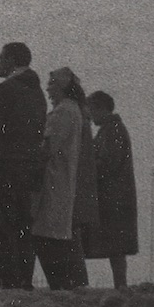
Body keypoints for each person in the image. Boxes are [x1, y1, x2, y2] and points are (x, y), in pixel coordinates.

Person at [0, 41, 46, 288]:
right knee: (23, 226)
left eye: (1, 58)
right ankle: (24, 280)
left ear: (10, 60)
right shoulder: (37, 92)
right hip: (29, 168)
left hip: (5, 167)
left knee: (1, 225)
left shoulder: (6, 90)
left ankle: (7, 279)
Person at [32, 66, 96, 289]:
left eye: (51, 85)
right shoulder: (74, 111)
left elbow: (48, 147)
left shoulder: (63, 112)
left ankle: (61, 284)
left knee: (48, 237)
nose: (48, 90)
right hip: (62, 182)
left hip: (54, 182)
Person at [83, 90, 140, 288]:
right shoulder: (111, 129)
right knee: (116, 247)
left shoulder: (113, 130)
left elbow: (108, 163)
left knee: (116, 246)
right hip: (115, 197)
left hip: (114, 198)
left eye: (91, 109)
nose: (89, 115)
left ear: (101, 108)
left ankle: (121, 286)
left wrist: (88, 169)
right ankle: (120, 286)